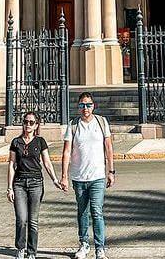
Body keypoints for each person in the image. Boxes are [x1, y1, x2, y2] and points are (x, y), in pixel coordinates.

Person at [60, 91, 115, 259]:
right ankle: (84, 244)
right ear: (78, 107)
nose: (86, 108)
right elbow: (67, 151)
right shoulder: (73, 125)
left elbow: (109, 148)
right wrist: (64, 176)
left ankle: (100, 247)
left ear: (93, 106)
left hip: (97, 176)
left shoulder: (101, 122)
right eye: (82, 105)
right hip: (79, 177)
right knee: (82, 212)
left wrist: (111, 171)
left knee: (97, 212)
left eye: (88, 105)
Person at [7, 110, 61, 259]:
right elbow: (12, 164)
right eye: (25, 122)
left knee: (33, 221)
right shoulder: (16, 142)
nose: (28, 125)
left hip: (36, 183)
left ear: (36, 125)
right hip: (19, 183)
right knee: (21, 219)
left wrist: (55, 180)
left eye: (31, 122)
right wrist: (9, 187)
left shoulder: (40, 141)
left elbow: (47, 163)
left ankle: (31, 253)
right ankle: (20, 248)